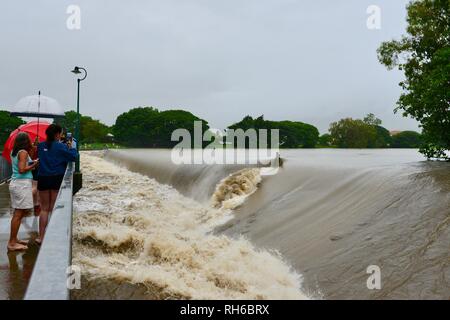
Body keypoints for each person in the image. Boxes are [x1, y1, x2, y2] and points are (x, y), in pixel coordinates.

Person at [37, 124, 78, 244]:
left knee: (44, 209)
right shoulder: (61, 146)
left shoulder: (40, 146)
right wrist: (71, 147)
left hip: (43, 178)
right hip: (56, 178)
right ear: (57, 134)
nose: (62, 135)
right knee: (54, 208)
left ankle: (41, 237)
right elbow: (73, 157)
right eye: (60, 133)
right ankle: (53, 234)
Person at [8, 132, 39, 251]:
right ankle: (12, 243)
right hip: (21, 185)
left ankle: (14, 239)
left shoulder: (15, 152)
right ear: (25, 141)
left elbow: (23, 163)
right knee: (18, 214)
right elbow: (22, 169)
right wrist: (34, 164)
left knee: (19, 212)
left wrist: (31, 160)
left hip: (17, 184)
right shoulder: (23, 152)